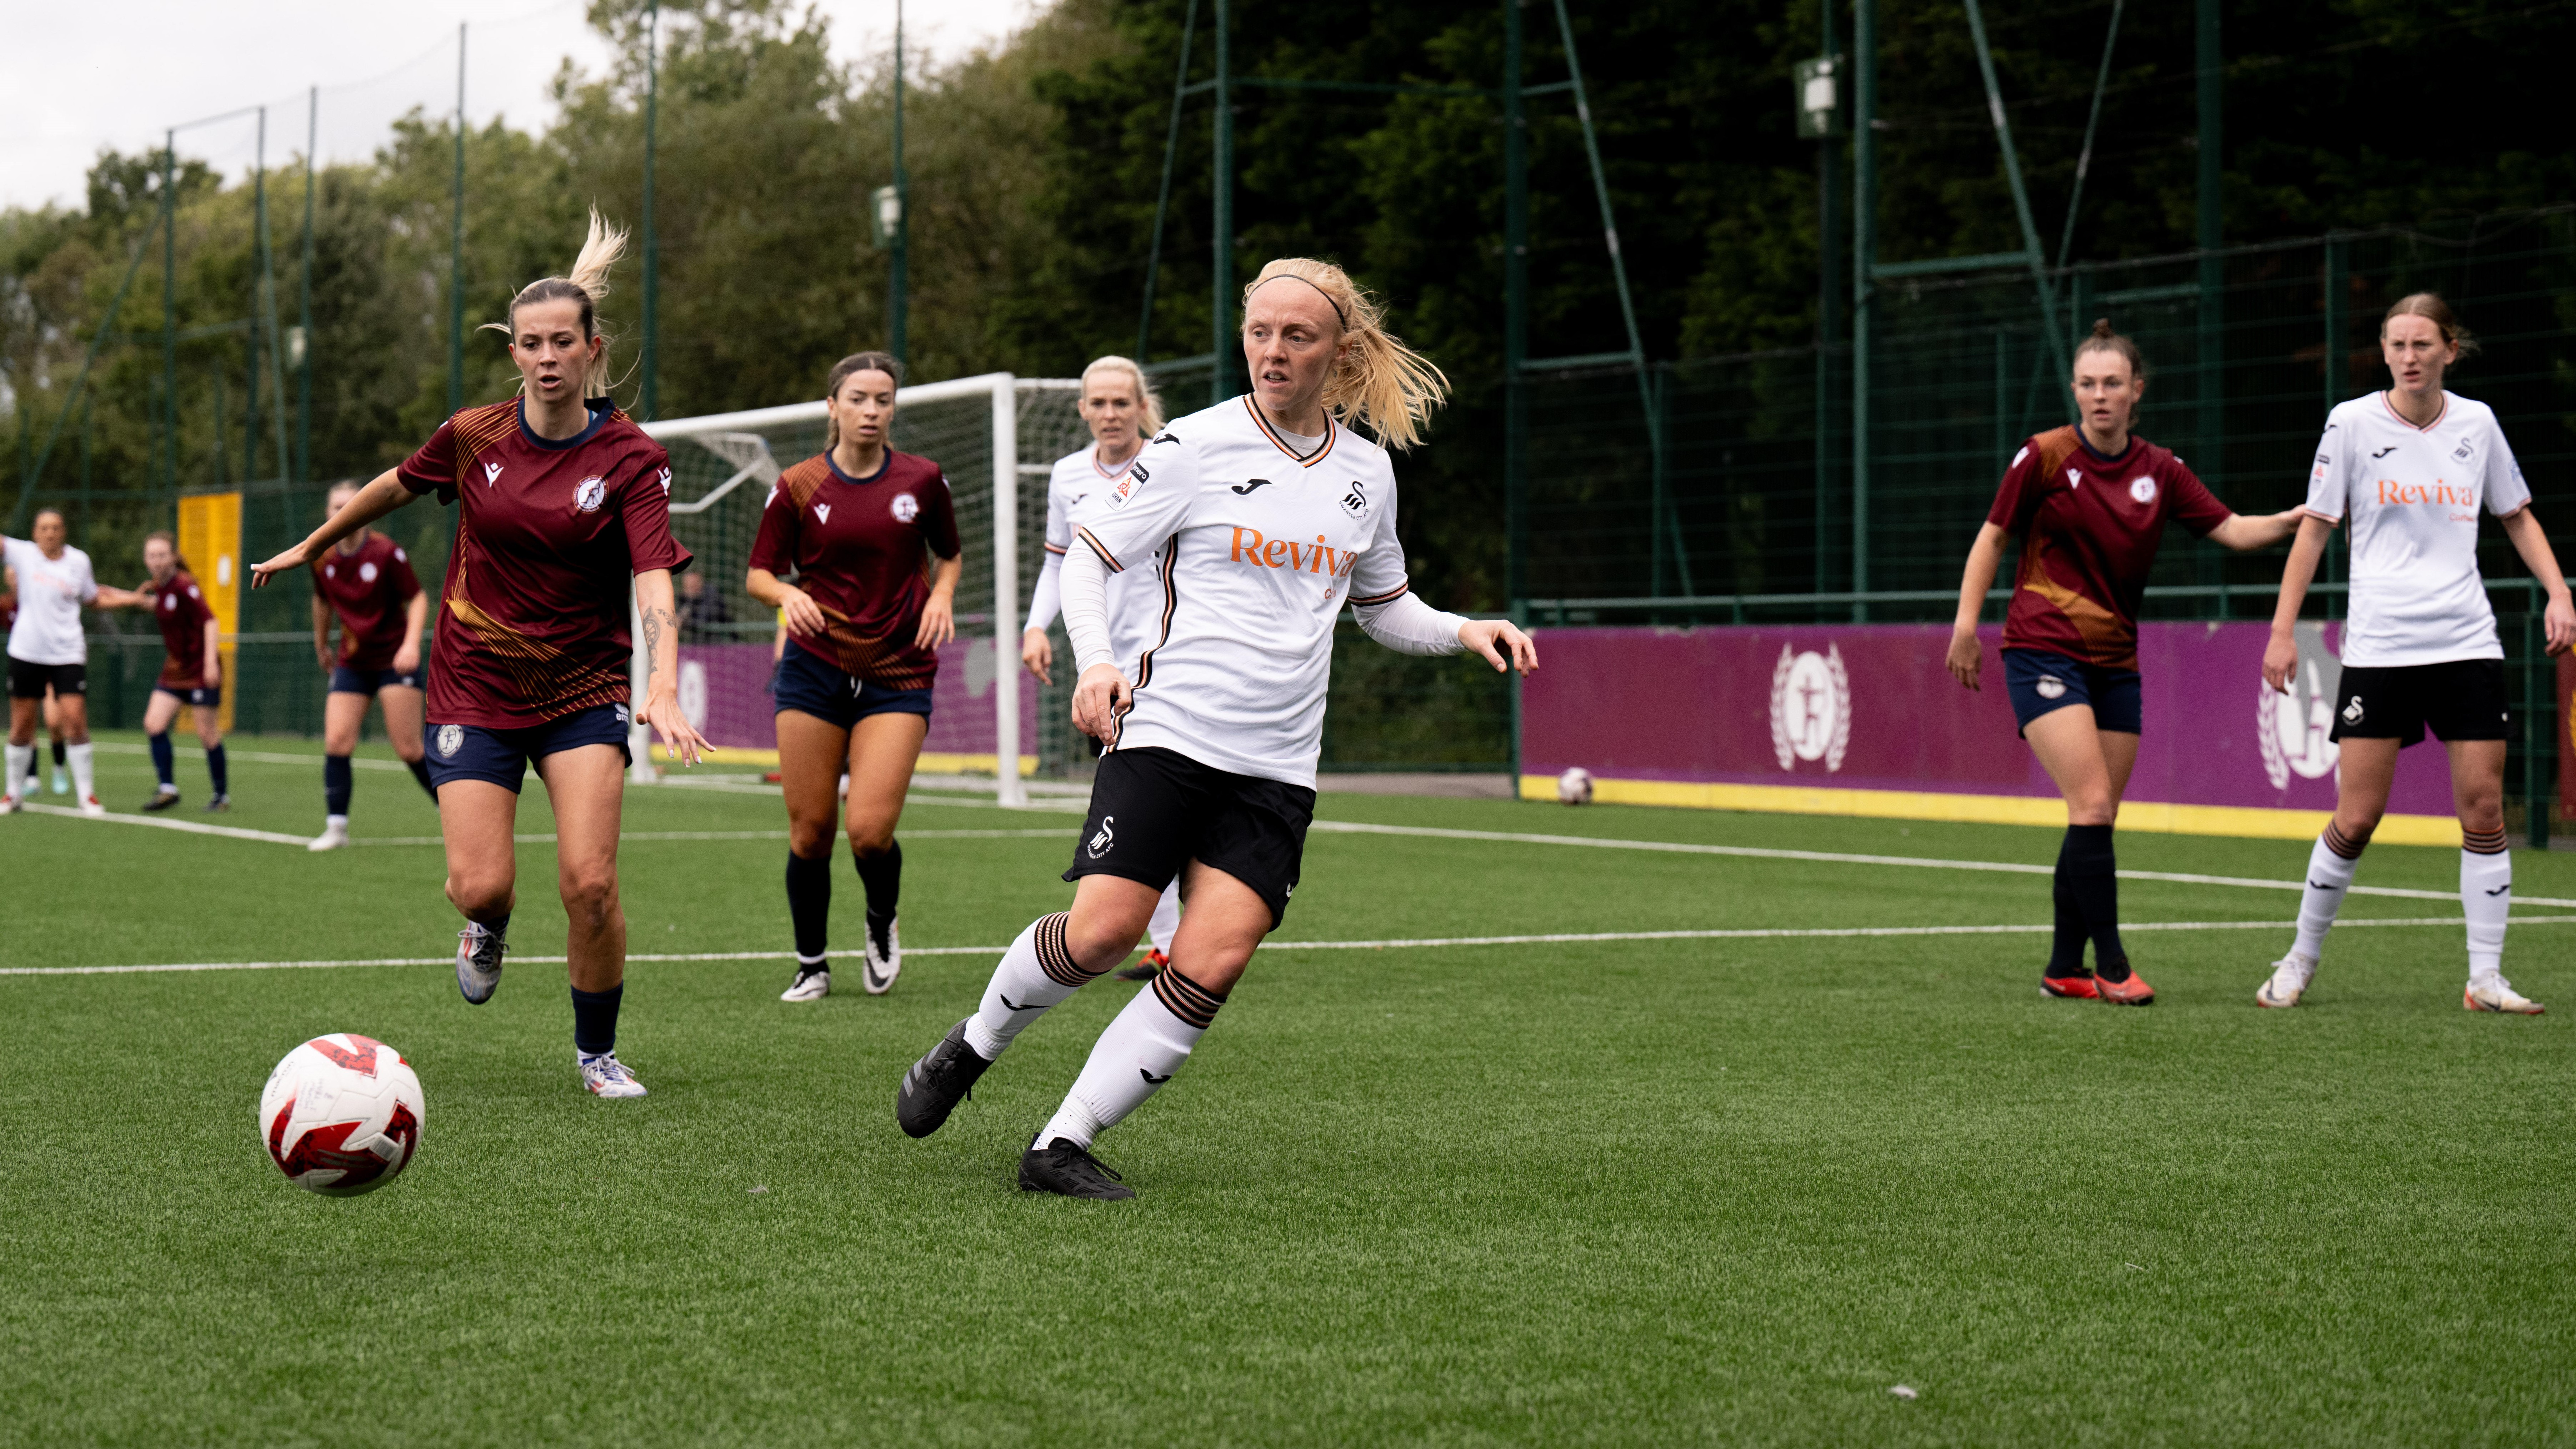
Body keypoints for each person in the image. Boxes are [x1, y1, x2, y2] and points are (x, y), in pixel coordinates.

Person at [895, 257, 1537, 1199]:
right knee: (1103, 935)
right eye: (1259, 333)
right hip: (1166, 732)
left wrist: (1461, 628)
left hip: (1276, 765)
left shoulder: (1366, 474)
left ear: (1340, 352)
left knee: (1212, 956)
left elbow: (1382, 604)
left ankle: (1059, 1144)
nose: (1272, 353)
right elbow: (1088, 559)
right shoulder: (1192, 447)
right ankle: (973, 1046)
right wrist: (1098, 660)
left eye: (1297, 337)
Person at [250, 210, 708, 1098]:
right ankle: (487, 924)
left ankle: (596, 1052)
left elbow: (654, 575)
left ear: (590, 349)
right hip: (474, 682)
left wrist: (661, 682)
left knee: (591, 882)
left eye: (562, 342)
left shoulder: (632, 458)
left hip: (583, 686)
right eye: (531, 343)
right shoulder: (475, 434)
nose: (546, 356)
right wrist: (314, 543)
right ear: (516, 354)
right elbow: (394, 483)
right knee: (477, 881)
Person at [1946, 320, 2300, 1004]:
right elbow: (1992, 537)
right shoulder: (2043, 456)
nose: (2098, 396)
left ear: (2136, 391)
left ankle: (2060, 967)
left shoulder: (2159, 470)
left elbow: (2229, 530)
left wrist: (2293, 519)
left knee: (2094, 816)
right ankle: (2110, 965)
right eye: (2087, 384)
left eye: (2112, 384)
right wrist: (1965, 626)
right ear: (2074, 389)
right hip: (2041, 647)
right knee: (2092, 801)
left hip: (2115, 661)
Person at [2257, 294, 2575, 1013]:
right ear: (2384, 351)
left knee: (2484, 808)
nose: (2408, 356)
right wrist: (2283, 629)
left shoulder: (2478, 423)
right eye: (2396, 344)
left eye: (2422, 344)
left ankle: (2485, 978)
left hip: (2466, 642)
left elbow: (2516, 514)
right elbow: (2312, 531)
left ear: (2448, 351)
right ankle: (2299, 959)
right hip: (2380, 648)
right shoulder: (2351, 422)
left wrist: (2559, 592)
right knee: (2358, 816)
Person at [746, 350, 960, 1002]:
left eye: (883, 400)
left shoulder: (923, 480)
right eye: (859, 398)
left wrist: (943, 595)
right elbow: (758, 573)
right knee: (811, 830)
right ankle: (812, 963)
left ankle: (878, 921)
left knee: (868, 829)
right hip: (813, 670)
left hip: (899, 671)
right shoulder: (797, 484)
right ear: (832, 406)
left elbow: (949, 556)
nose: (872, 410)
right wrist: (786, 597)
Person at [1021, 355, 1182, 982]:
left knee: (1153, 799)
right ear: (1083, 409)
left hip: (1167, 655)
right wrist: (1037, 626)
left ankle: (1174, 938)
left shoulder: (1170, 462)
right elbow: (1058, 563)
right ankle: (1168, 939)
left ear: (1142, 406)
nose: (1111, 414)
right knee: (1146, 802)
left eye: (1122, 402)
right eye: (1099, 403)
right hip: (1102, 667)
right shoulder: (1066, 476)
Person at [305, 479, 435, 851]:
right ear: (327, 513)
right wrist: (321, 643)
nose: (342, 512)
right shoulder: (323, 555)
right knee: (337, 740)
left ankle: (456, 814)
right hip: (353, 659)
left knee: (409, 748)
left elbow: (419, 598)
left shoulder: (385, 552)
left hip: (394, 658)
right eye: (335, 506)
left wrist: (411, 644)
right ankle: (337, 828)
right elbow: (322, 602)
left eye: (350, 504)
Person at [2, 510, 140, 816]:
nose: (50, 533)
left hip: (67, 653)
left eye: (55, 528)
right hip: (27, 652)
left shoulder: (79, 562)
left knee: (75, 721)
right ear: (35, 533)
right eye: (44, 528)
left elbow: (94, 600)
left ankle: (86, 796)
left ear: (64, 532)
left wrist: (133, 600)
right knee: (22, 726)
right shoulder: (22, 554)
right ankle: (13, 795)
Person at [101, 532, 228, 811]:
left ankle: (221, 796)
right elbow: (149, 603)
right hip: (175, 669)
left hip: (199, 669)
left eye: (161, 555)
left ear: (173, 556)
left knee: (207, 736)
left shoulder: (184, 584)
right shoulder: (159, 586)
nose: (156, 561)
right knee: (154, 724)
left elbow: (210, 622)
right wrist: (110, 593)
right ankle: (168, 789)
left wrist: (209, 663)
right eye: (151, 556)